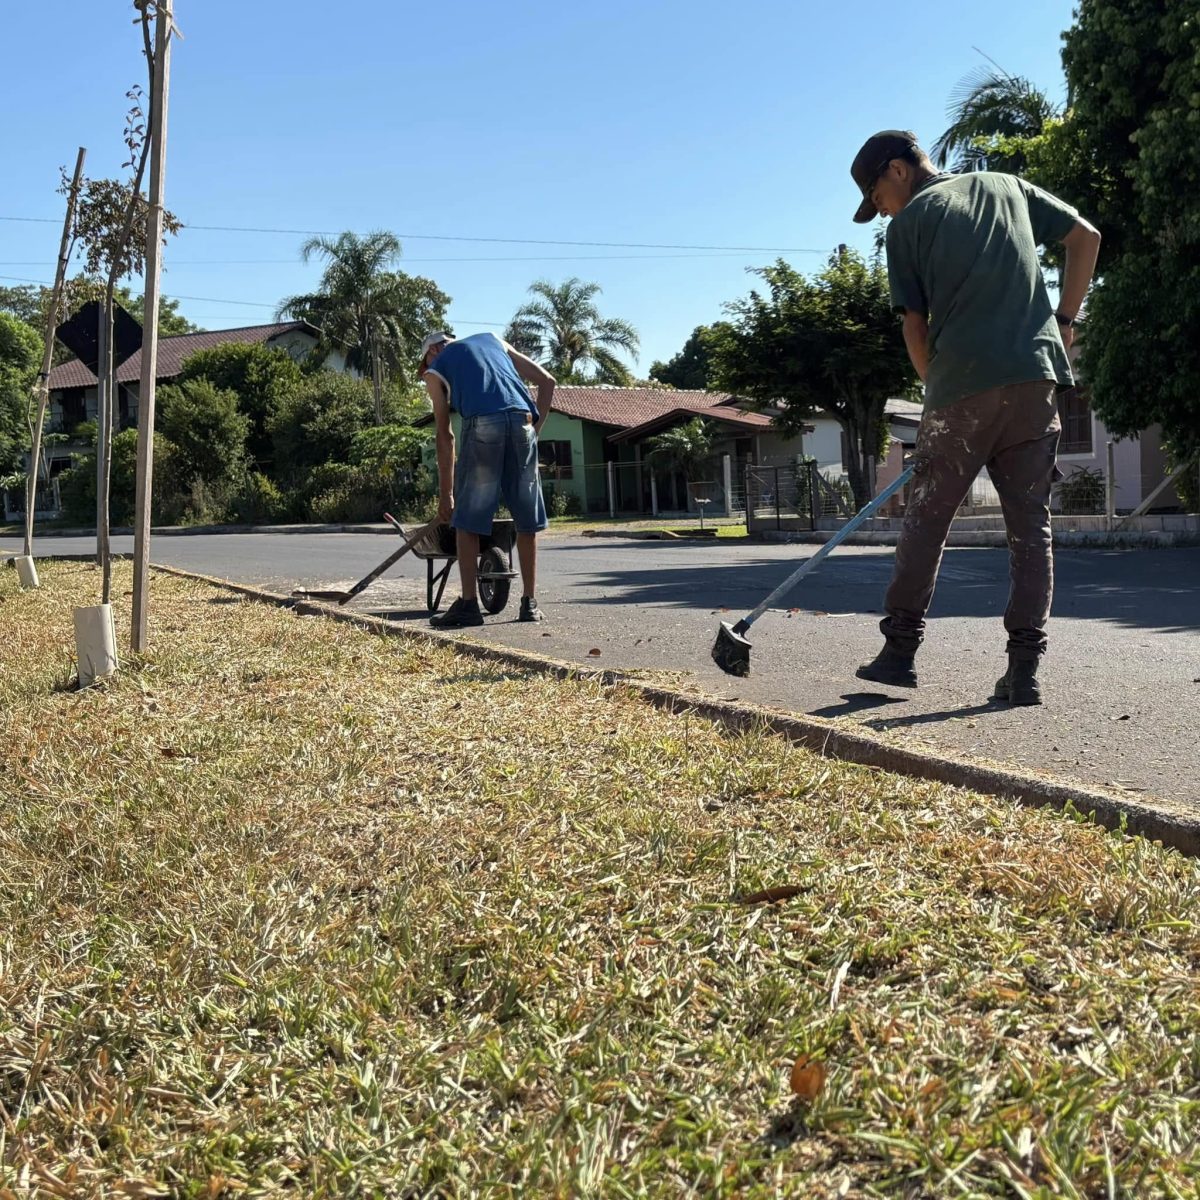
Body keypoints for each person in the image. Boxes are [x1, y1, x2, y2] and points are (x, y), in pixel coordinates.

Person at [849, 130, 1101, 706]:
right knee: (1030, 527)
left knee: (927, 519)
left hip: (962, 387)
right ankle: (1023, 672)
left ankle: (898, 653)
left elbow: (915, 326)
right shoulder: (1007, 186)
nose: (880, 208)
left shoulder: (908, 224)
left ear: (898, 171)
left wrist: (936, 387)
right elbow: (1086, 237)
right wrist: (1065, 319)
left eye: (875, 194)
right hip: (1036, 381)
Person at [419, 330, 556, 628]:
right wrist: (536, 432)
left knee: (467, 520)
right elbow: (547, 382)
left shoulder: (436, 369)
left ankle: (469, 605)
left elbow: (445, 434)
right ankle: (529, 604)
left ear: (432, 352)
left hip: (483, 427)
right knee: (526, 520)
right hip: (523, 422)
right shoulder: (493, 339)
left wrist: (447, 496)